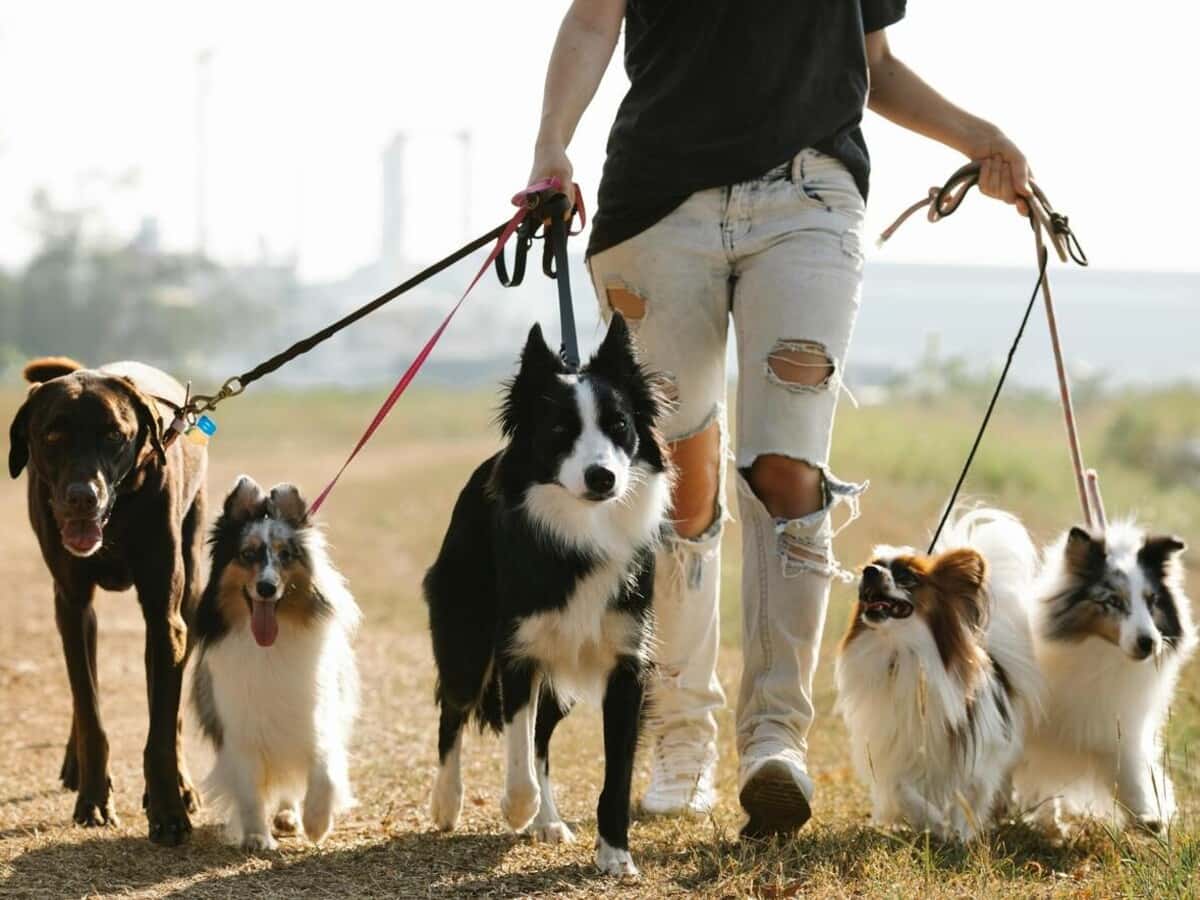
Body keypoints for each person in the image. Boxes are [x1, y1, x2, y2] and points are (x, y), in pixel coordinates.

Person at [527, 0, 1031, 837]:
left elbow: (876, 62)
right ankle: (680, 736)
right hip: (658, 203)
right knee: (673, 477)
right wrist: (552, 146)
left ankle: (774, 741)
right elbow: (592, 18)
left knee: (788, 469)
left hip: (810, 199)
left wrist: (981, 136)